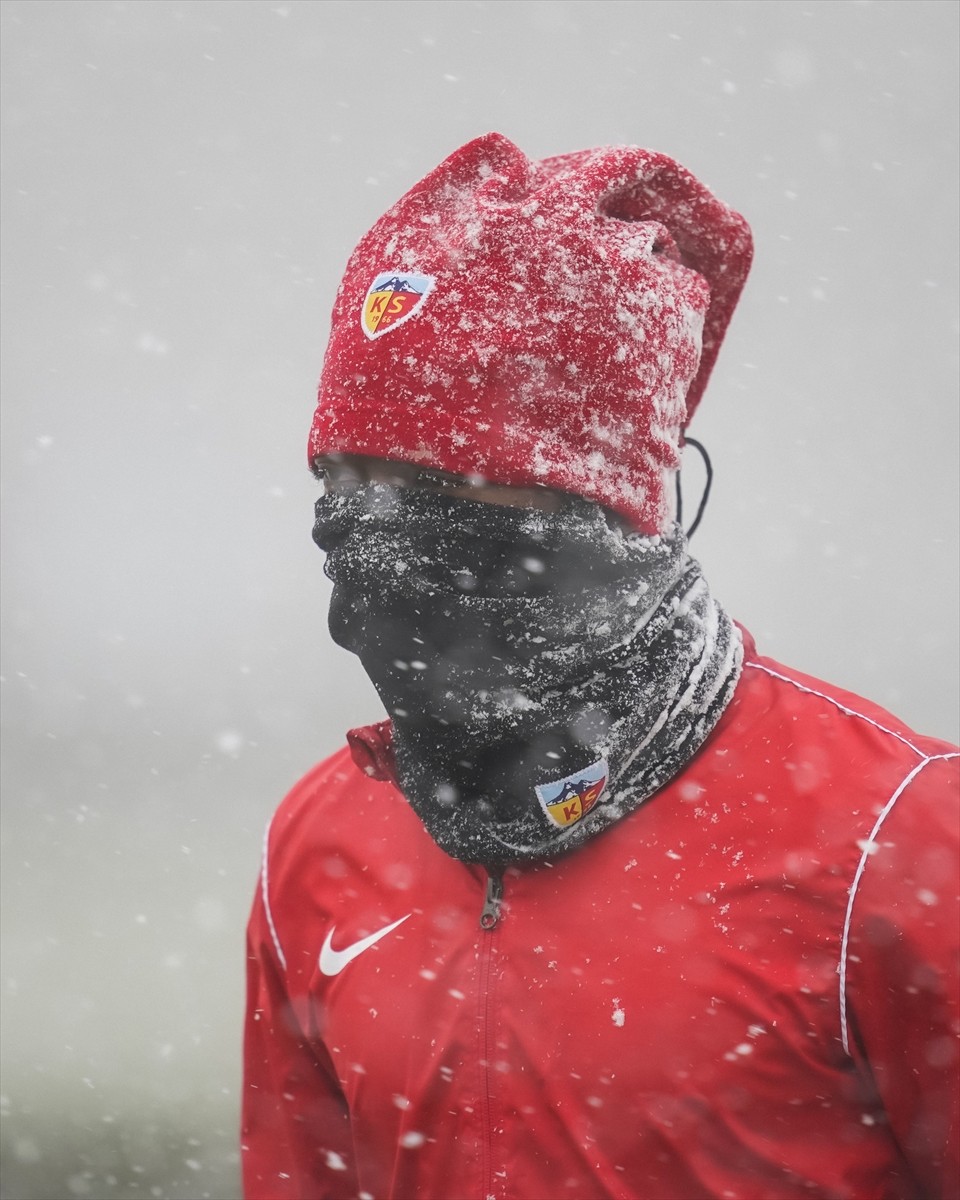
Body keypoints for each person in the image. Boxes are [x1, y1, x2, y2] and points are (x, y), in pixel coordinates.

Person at [241, 133, 959, 1200]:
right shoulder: (322, 843)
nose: (378, 535)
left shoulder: (894, 839)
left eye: (444, 481)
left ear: (600, 507)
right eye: (351, 475)